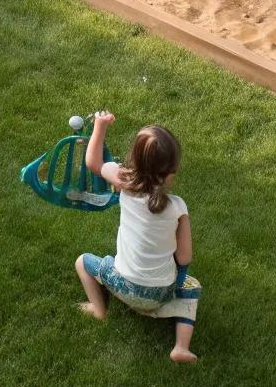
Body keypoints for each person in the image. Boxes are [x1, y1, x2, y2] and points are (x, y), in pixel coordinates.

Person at [74, 117, 201, 363]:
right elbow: (185, 257)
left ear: (136, 161)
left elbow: (93, 162)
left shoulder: (123, 181)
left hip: (121, 284)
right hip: (160, 294)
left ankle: (99, 309)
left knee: (82, 262)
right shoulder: (177, 207)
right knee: (192, 288)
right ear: (171, 171)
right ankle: (181, 347)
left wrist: (100, 126)